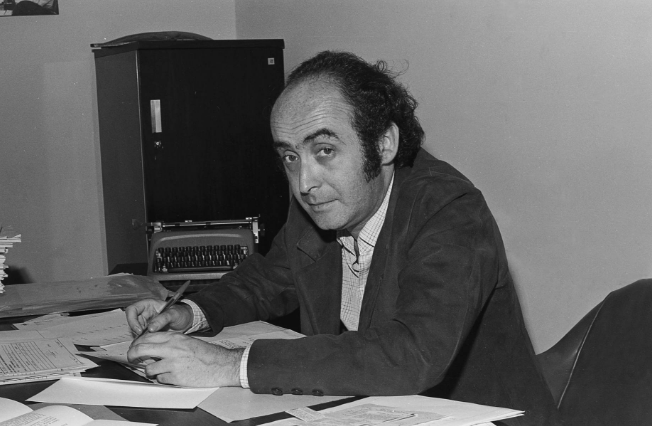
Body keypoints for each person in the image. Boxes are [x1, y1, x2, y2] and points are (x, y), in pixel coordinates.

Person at [126, 51, 561, 425]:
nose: (304, 182)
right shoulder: (323, 204)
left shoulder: (449, 210)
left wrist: (228, 364)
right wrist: (190, 313)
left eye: (325, 151)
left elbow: (412, 354)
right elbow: (266, 280)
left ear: (385, 144)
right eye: (290, 157)